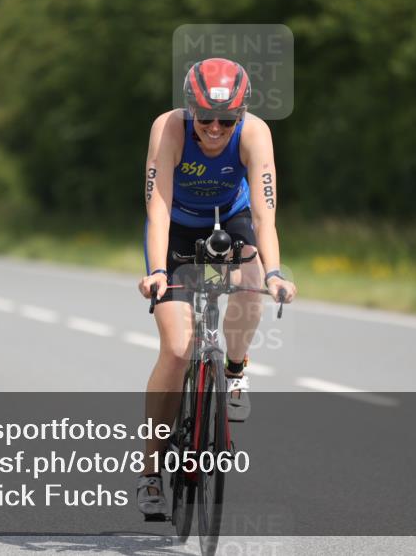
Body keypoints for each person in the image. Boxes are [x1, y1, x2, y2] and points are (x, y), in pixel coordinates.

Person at [136, 58, 297, 514]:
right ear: (190, 109)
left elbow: (266, 217)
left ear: (241, 113)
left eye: (226, 119)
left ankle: (235, 367)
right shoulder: (169, 129)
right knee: (176, 349)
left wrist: (275, 272)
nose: (214, 128)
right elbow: (158, 210)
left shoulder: (254, 134)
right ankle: (150, 471)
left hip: (234, 221)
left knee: (251, 286)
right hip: (177, 231)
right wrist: (158, 273)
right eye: (204, 117)